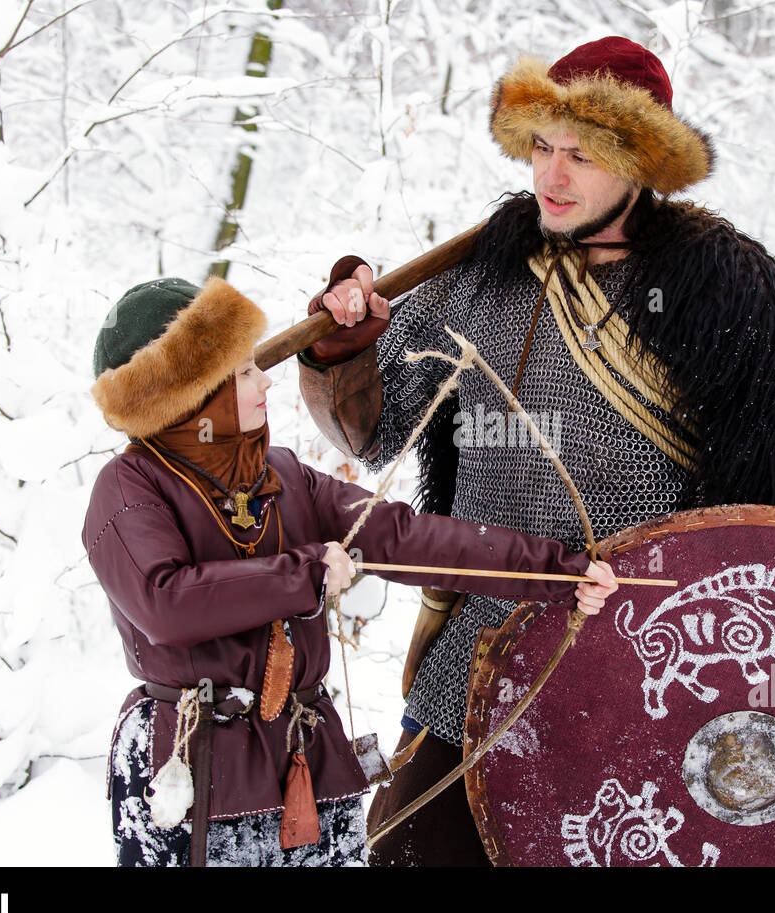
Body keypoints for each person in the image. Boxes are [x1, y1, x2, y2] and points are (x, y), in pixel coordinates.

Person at [299, 36, 775, 865]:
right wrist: (344, 351)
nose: (552, 176)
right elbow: (372, 431)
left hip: (650, 666)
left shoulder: (728, 291)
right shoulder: (482, 278)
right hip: (480, 650)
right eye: (541, 146)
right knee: (409, 849)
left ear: (642, 161)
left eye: (583, 154)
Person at [82, 275, 617, 866]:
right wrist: (303, 575)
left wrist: (557, 573)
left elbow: (407, 538)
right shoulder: (128, 488)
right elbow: (166, 604)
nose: (264, 379)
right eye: (242, 372)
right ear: (191, 397)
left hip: (308, 757)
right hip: (197, 768)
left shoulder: (284, 474)